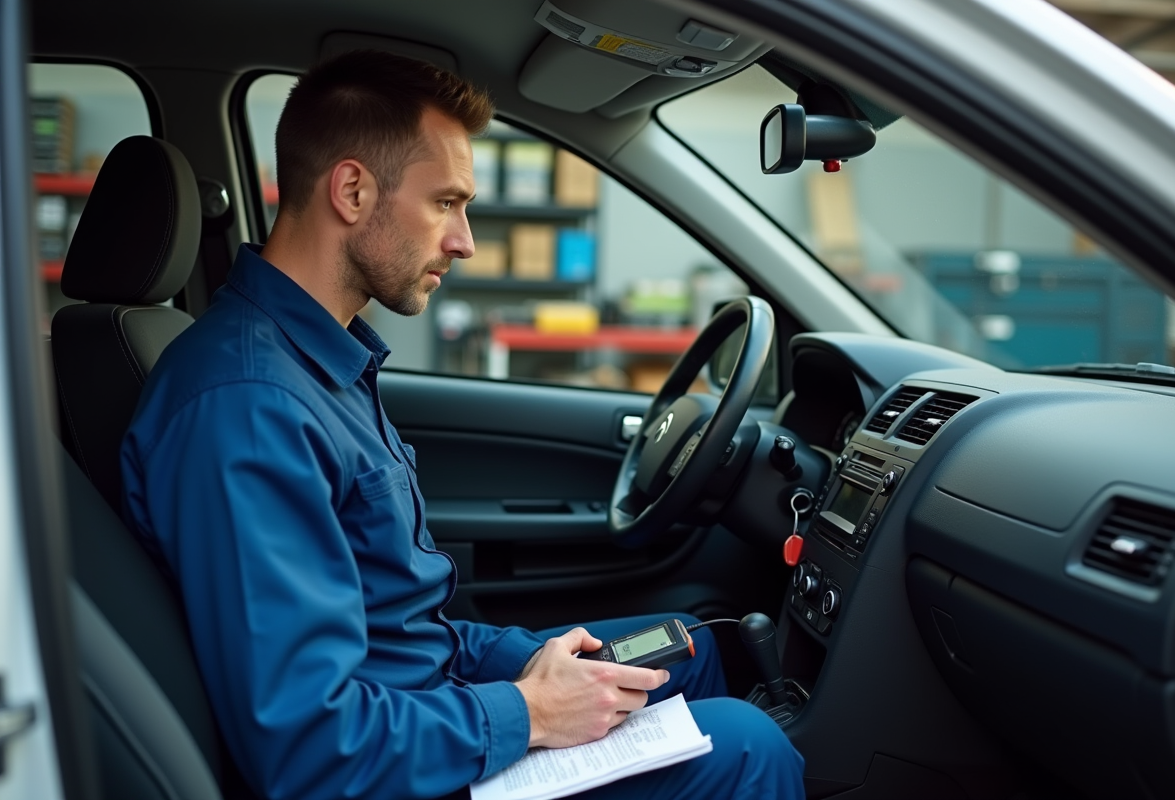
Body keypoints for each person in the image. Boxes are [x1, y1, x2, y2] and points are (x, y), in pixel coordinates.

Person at [121, 49, 806, 800]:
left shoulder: (317, 362)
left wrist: (530, 663)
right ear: (352, 190)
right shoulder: (247, 406)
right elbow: (309, 748)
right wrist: (527, 711)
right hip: (389, 768)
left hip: (419, 703)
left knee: (688, 646)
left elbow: (403, 630)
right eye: (446, 202)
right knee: (748, 746)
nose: (465, 239)